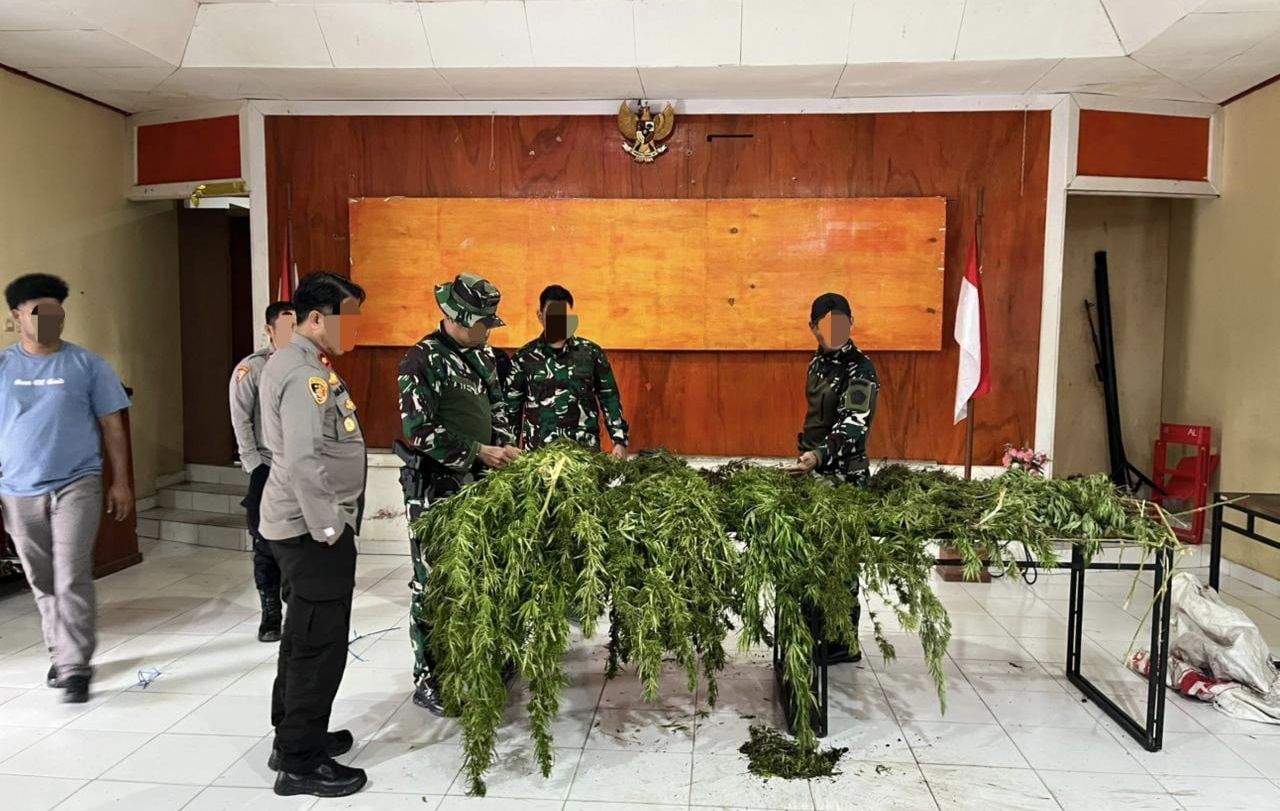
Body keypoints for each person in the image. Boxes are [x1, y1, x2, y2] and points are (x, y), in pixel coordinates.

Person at [258, 272, 368, 798]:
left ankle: (295, 737)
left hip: (300, 524)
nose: (355, 329)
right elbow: (302, 459)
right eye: (349, 317)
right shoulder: (304, 376)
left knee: (303, 634)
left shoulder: (295, 362)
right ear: (319, 318)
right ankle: (300, 762)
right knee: (319, 643)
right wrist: (330, 527)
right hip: (310, 529)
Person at [0, 273, 132, 704]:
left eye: (55, 312)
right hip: (18, 489)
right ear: (17, 317)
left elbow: (112, 425)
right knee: (41, 578)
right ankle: (59, 653)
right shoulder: (3, 368)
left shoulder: (87, 365)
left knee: (71, 573)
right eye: (37, 312)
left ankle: (76, 665)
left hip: (78, 482)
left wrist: (121, 482)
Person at [397, 272, 520, 715]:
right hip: (436, 490)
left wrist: (504, 446)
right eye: (482, 322)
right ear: (456, 317)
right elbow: (419, 431)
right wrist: (476, 451)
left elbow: (498, 406)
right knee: (433, 583)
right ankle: (430, 677)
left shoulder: (481, 355)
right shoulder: (421, 360)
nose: (488, 330)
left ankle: (488, 656)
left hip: (482, 487)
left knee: (488, 572)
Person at [786, 292, 879, 665]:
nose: (833, 332)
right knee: (812, 556)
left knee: (839, 559)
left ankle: (842, 641)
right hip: (813, 474)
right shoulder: (818, 363)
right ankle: (814, 629)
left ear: (850, 323)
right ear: (813, 329)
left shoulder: (861, 370)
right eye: (825, 326)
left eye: (841, 323)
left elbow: (854, 424)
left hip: (843, 477)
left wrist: (819, 455)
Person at [229, 301, 296, 643]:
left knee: (298, 541)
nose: (289, 333)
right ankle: (271, 613)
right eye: (283, 327)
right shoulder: (251, 368)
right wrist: (253, 464)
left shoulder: (309, 365)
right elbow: (240, 417)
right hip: (267, 466)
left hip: (300, 468)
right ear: (269, 330)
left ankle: (295, 605)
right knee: (266, 543)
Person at [506, 285, 630, 455]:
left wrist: (619, 440)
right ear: (540, 316)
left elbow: (609, 396)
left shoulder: (591, 353)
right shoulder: (523, 357)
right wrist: (508, 446)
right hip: (538, 459)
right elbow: (512, 409)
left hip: (584, 455)